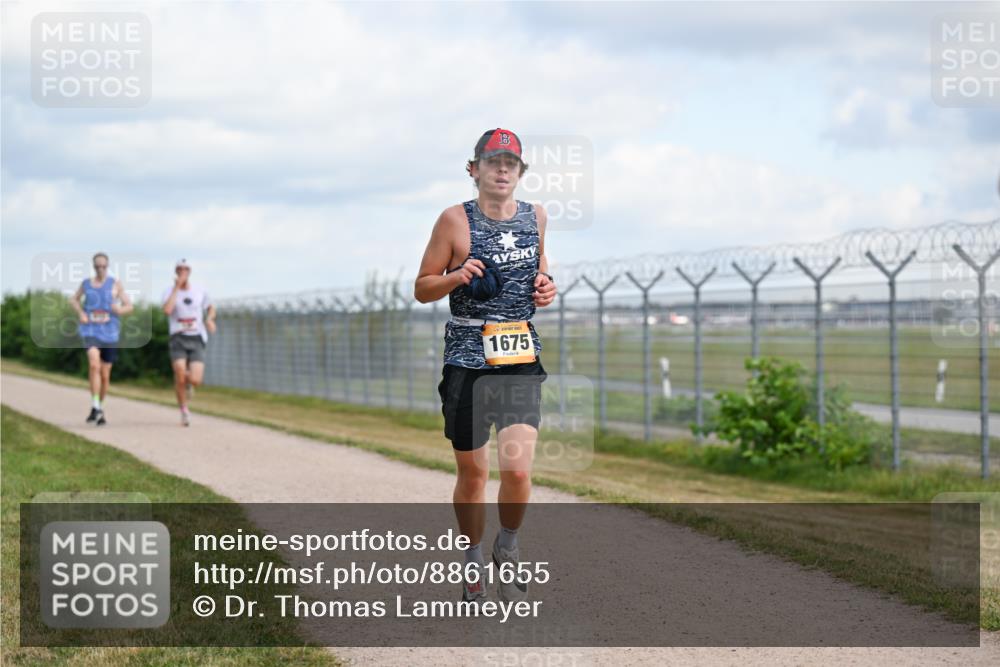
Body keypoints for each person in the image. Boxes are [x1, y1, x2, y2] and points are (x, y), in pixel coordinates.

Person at [414, 128, 557, 605]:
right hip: (466, 360)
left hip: (519, 356)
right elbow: (423, 287)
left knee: (517, 471)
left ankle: (508, 545)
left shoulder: (536, 217)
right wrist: (456, 275)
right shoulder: (454, 220)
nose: (501, 170)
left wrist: (546, 286)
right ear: (473, 169)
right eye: (492, 162)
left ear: (520, 173)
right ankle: (472, 556)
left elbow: (540, 271)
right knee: (473, 475)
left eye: (510, 164)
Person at [71, 252, 133, 426]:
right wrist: (81, 313)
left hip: (110, 333)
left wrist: (119, 310)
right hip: (90, 330)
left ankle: (99, 407)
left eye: (103, 266)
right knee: (93, 364)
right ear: (93, 266)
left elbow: (129, 305)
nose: (100, 269)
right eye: (97, 266)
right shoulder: (86, 284)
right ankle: (96, 405)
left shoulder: (115, 284)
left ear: (108, 266)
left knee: (105, 375)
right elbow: (74, 300)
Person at [162, 259, 216, 426]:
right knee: (179, 371)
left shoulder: (200, 290)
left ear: (190, 271)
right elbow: (167, 310)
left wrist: (210, 319)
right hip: (178, 337)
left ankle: (188, 384)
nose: (183, 272)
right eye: (180, 269)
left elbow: (211, 307)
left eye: (186, 269)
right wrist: (177, 288)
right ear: (176, 272)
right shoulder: (169, 291)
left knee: (196, 379)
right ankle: (184, 410)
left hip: (196, 337)